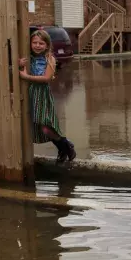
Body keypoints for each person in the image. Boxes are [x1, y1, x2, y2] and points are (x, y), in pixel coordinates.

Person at [18, 30, 76, 163]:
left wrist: (27, 77)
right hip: (31, 94)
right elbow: (18, 68)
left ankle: (67, 146)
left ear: (47, 45)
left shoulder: (50, 59)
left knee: (46, 125)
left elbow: (46, 78)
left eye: (41, 43)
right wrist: (19, 64)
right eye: (35, 43)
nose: (37, 45)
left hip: (42, 94)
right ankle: (63, 148)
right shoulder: (29, 57)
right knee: (39, 126)